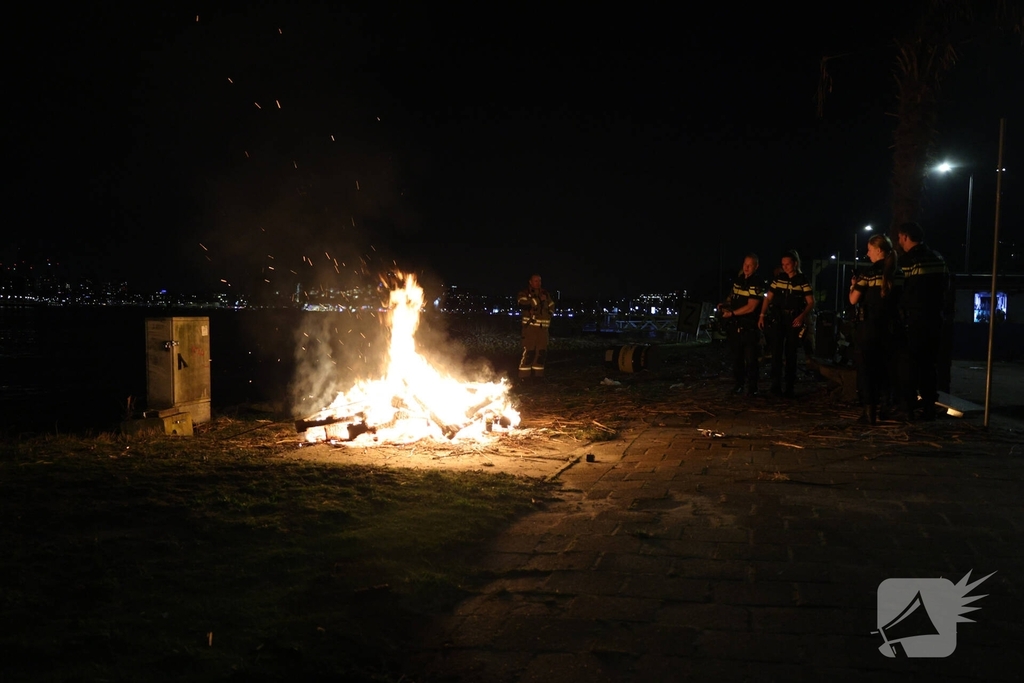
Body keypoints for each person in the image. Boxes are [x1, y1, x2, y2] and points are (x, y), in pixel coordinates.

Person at [896, 222, 949, 420]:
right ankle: (929, 407)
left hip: (913, 319)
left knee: (908, 363)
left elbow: (899, 289)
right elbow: (946, 285)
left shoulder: (907, 261)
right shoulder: (938, 258)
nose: (899, 241)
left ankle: (907, 408)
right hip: (935, 318)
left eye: (900, 238)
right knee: (929, 364)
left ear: (905, 237)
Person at [849, 234, 903, 424]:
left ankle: (869, 412)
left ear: (879, 250)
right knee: (887, 368)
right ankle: (886, 408)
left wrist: (853, 286)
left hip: (869, 327)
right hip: (891, 327)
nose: (867, 253)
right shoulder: (899, 272)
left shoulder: (869, 273)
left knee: (867, 369)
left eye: (870, 249)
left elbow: (853, 300)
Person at [758, 250, 814, 398]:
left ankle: (789, 386)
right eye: (783, 264)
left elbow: (810, 302)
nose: (785, 267)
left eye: (787, 264)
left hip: (793, 318)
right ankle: (775, 385)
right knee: (776, 351)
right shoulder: (779, 279)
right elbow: (768, 298)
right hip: (779, 318)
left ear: (795, 263)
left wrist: (802, 316)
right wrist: (762, 315)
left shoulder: (802, 280)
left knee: (791, 352)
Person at [720, 254, 764, 396]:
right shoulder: (738, 281)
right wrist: (725, 305)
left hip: (749, 326)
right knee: (737, 358)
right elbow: (733, 298)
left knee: (751, 359)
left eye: (750, 265)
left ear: (756, 267)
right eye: (745, 264)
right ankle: (739, 384)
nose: (746, 267)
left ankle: (752, 387)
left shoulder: (756, 282)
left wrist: (732, 313)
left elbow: (751, 306)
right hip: (735, 325)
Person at [516, 273, 555, 379]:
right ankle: (524, 377)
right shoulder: (524, 293)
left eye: (539, 281)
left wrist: (549, 313)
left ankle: (538, 376)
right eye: (536, 281)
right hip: (530, 328)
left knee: (541, 353)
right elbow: (523, 304)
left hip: (543, 330)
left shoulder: (545, 293)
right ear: (530, 282)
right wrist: (538, 300)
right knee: (529, 352)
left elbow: (552, 305)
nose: (538, 283)